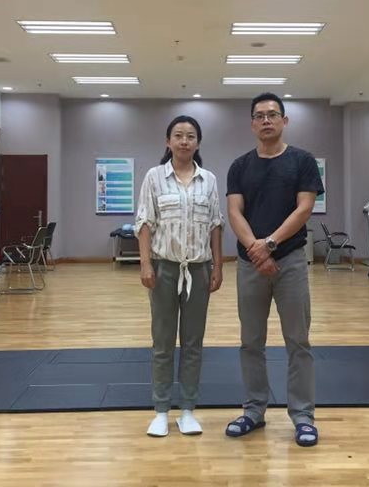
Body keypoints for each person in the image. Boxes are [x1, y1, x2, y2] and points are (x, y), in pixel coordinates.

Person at [224, 93, 324, 447]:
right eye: (260, 116)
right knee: (251, 341)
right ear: (252, 124)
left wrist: (270, 244)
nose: (266, 120)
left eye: (272, 114)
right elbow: (234, 212)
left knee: (298, 341)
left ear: (284, 120)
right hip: (250, 264)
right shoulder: (239, 166)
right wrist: (256, 249)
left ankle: (303, 416)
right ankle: (253, 410)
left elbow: (304, 209)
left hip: (290, 261)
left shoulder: (302, 161)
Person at [135, 115, 224, 437]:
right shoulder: (154, 177)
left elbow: (215, 225)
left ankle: (187, 409)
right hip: (164, 268)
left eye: (190, 136)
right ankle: (161, 410)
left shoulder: (208, 180)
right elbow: (144, 222)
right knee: (162, 343)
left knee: (193, 343)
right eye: (178, 135)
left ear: (197, 143)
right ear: (168, 141)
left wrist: (218, 266)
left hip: (198, 270)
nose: (184, 141)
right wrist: (146, 264)